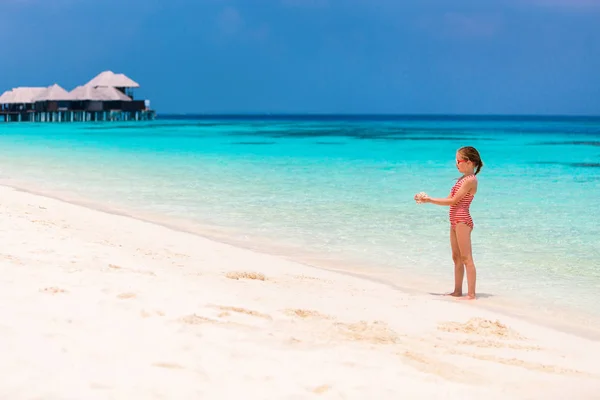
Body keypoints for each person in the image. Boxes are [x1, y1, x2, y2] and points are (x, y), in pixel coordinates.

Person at [415, 146, 483, 300]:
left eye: (458, 161)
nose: (456, 164)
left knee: (467, 258)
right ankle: (457, 291)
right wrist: (425, 199)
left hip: (462, 220)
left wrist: (430, 200)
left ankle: (471, 294)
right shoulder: (461, 180)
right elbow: (448, 199)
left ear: (469, 162)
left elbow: (453, 201)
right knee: (456, 257)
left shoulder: (471, 180)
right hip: (454, 220)